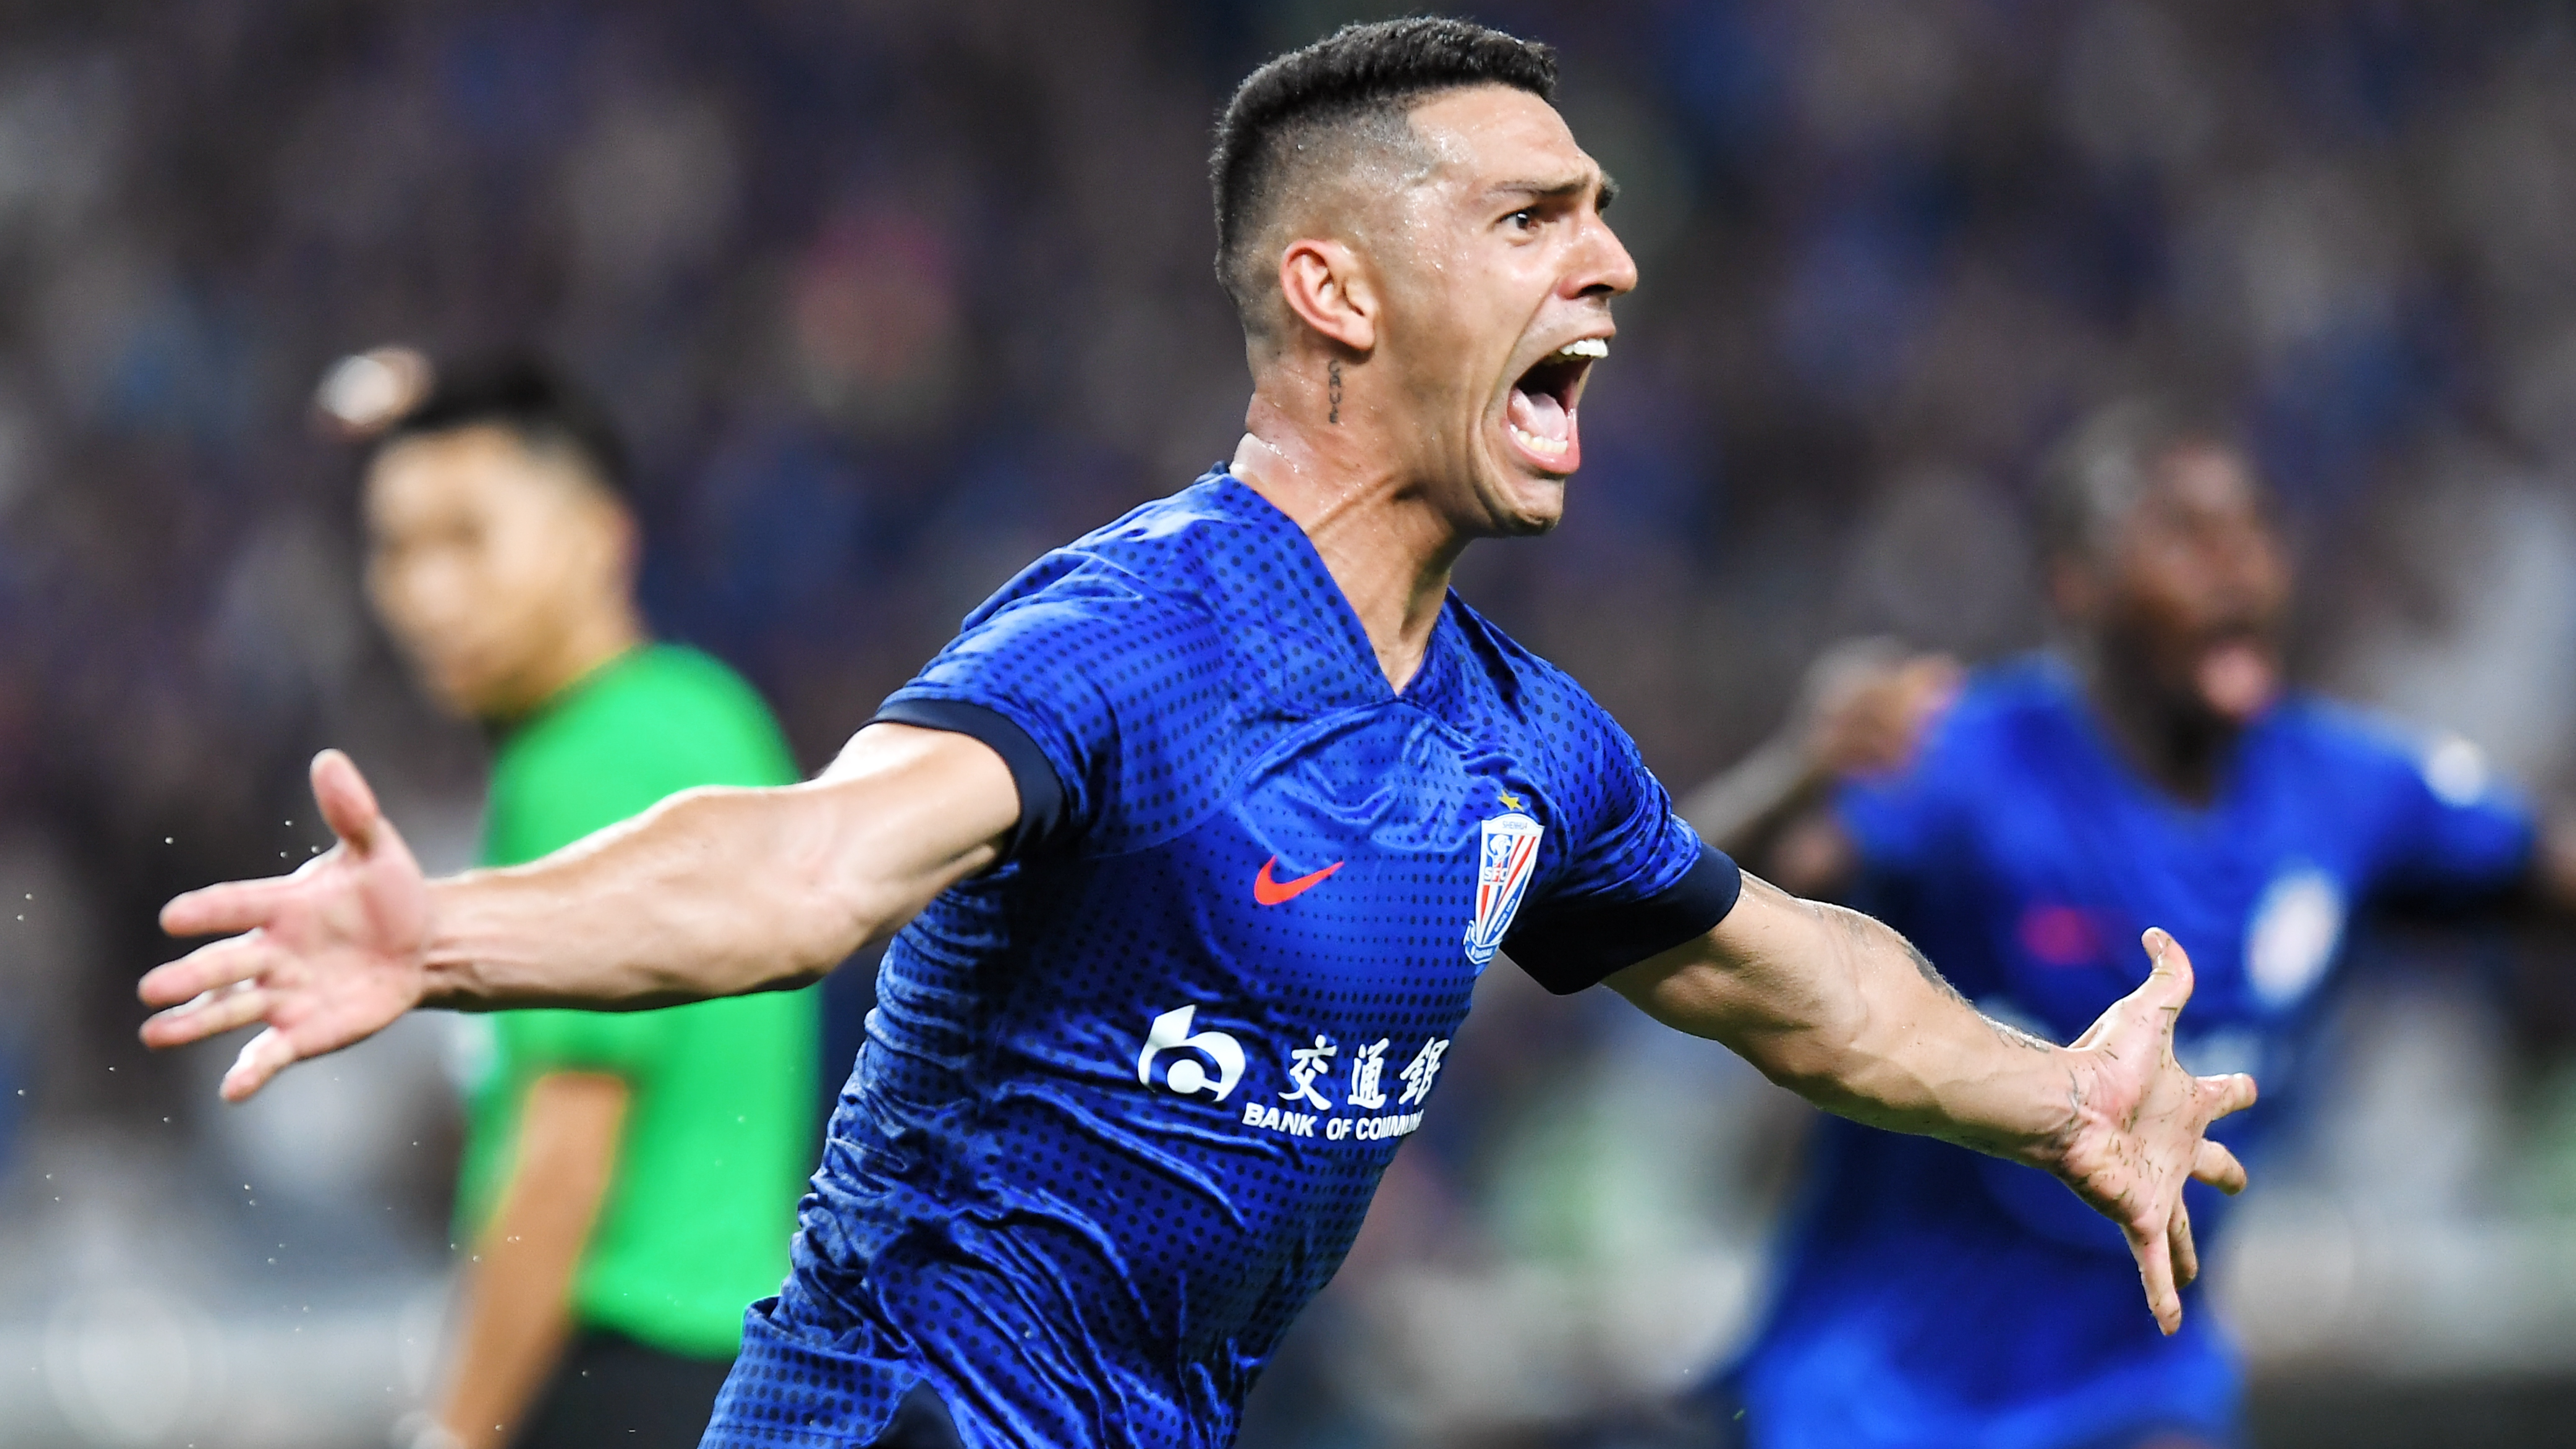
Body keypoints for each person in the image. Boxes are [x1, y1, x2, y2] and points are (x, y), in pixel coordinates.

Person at [143, 23, 2253, 1449]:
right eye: (1530, 216)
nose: (1608, 258)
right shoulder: (1130, 637)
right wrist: (450, 936)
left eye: (1600, 210)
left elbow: (1796, 984)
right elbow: (804, 864)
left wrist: (2050, 1089)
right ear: (1331, 291)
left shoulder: (1525, 743)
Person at [1685, 399, 2576, 1449]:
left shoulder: (2350, 792)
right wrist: (1797, 771)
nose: (2238, 567)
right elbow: (1677, 903)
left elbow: (2547, 871)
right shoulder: (1971, 763)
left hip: (2133, 1385)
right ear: (2079, 583)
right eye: (2186, 538)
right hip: (1881, 1389)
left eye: (2253, 531)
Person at [346, 356, 816, 1449]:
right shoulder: (711, 715)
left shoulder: (585, 762)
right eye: (397, 548)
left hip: (612, 1373)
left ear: (599, 538)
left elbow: (565, 1152)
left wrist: (455, 1432)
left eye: (467, 538)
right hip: (733, 1368)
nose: (425, 591)